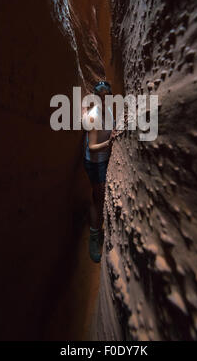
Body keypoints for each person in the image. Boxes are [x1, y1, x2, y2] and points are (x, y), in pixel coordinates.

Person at [83, 81, 114, 263]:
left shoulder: (107, 111)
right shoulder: (95, 116)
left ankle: (92, 218)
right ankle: (94, 235)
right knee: (99, 199)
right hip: (95, 162)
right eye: (101, 97)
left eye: (107, 96)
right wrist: (109, 143)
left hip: (101, 159)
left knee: (99, 197)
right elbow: (93, 146)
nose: (104, 99)